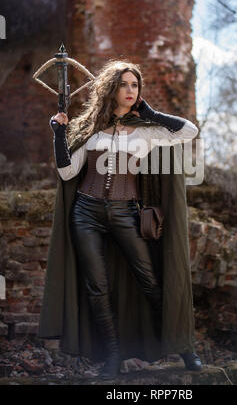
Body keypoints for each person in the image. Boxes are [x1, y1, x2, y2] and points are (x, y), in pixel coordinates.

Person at [38, 59, 202, 380]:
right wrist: (59, 134)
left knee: (151, 282)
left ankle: (183, 347)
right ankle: (112, 357)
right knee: (97, 288)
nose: (130, 90)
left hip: (127, 213)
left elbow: (189, 131)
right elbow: (68, 171)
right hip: (86, 213)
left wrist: (151, 113)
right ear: (111, 89)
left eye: (135, 85)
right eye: (124, 84)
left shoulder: (150, 131)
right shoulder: (90, 129)